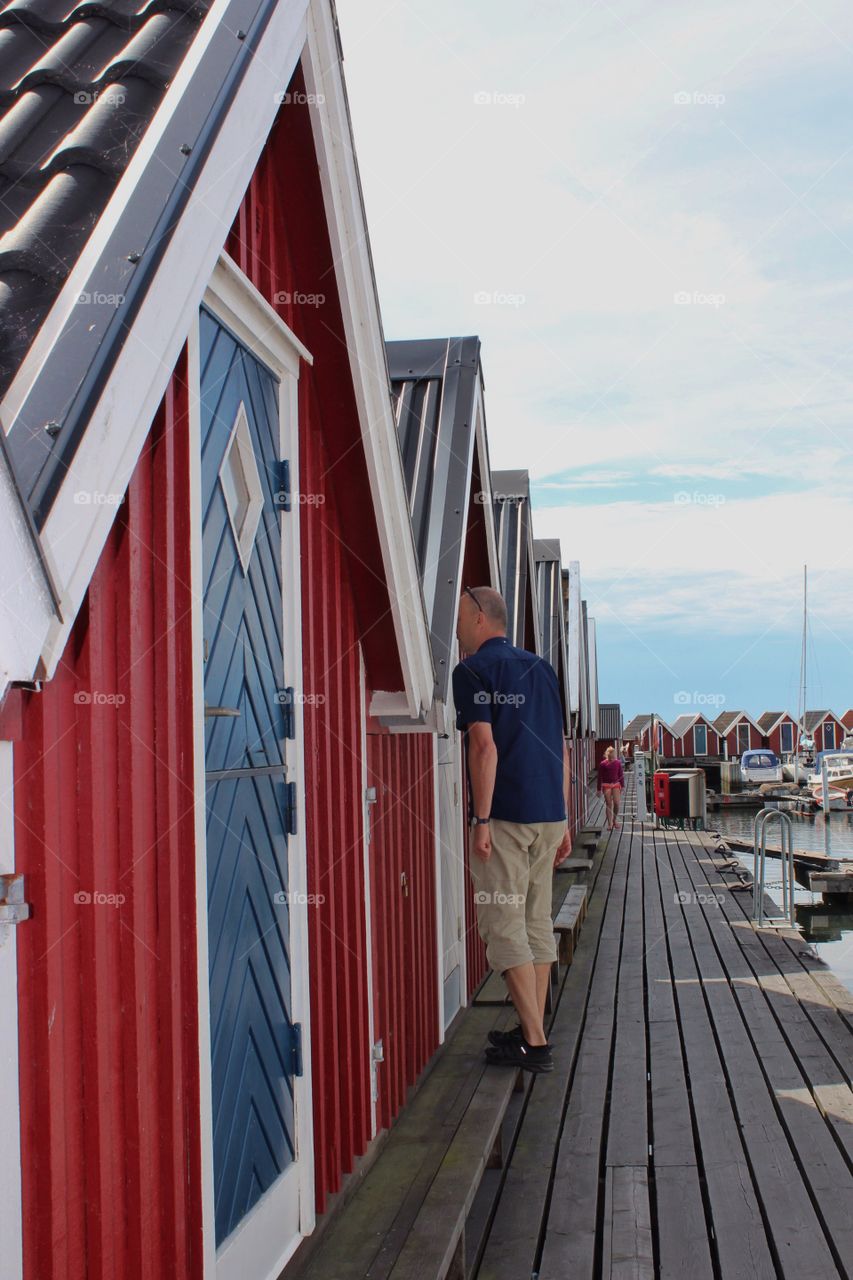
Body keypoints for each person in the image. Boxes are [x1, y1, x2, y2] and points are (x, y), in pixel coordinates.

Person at [452, 585, 571, 1075]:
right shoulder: (541, 669)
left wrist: (481, 820)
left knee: (504, 926)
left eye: (460, 615)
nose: (456, 626)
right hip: (549, 814)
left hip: (506, 815)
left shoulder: (473, 670)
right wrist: (563, 818)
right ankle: (529, 1033)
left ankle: (537, 1044)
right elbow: (560, 746)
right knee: (536, 922)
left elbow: (484, 748)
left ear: (481, 618)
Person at [599, 745, 625, 829]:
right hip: (606, 785)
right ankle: (609, 823)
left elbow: (621, 775)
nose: (612, 758)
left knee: (617, 803)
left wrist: (623, 785)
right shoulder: (603, 764)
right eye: (610, 757)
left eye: (613, 756)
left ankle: (614, 820)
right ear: (607, 755)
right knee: (608, 804)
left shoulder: (617, 763)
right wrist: (598, 789)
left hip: (616, 784)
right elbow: (600, 777)